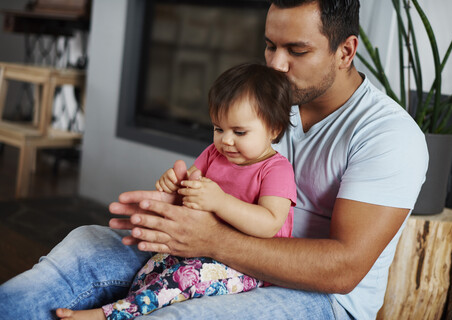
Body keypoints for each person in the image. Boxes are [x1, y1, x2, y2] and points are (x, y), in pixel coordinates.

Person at [0, 1, 429, 319]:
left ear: (346, 51)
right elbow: (213, 184)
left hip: (318, 298)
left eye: (296, 51)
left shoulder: (388, 136)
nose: (276, 66)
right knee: (84, 247)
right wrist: (168, 212)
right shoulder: (264, 105)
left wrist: (211, 239)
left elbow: (343, 270)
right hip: (214, 253)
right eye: (269, 46)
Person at [55, 63, 297, 320]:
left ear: (274, 129)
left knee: (184, 278)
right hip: (202, 249)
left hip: (249, 267)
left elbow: (269, 224)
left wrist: (220, 201)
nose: (226, 140)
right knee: (155, 266)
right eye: (218, 128)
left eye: (239, 132)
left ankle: (109, 315)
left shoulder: (276, 170)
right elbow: (189, 187)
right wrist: (175, 184)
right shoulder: (215, 153)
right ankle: (131, 306)